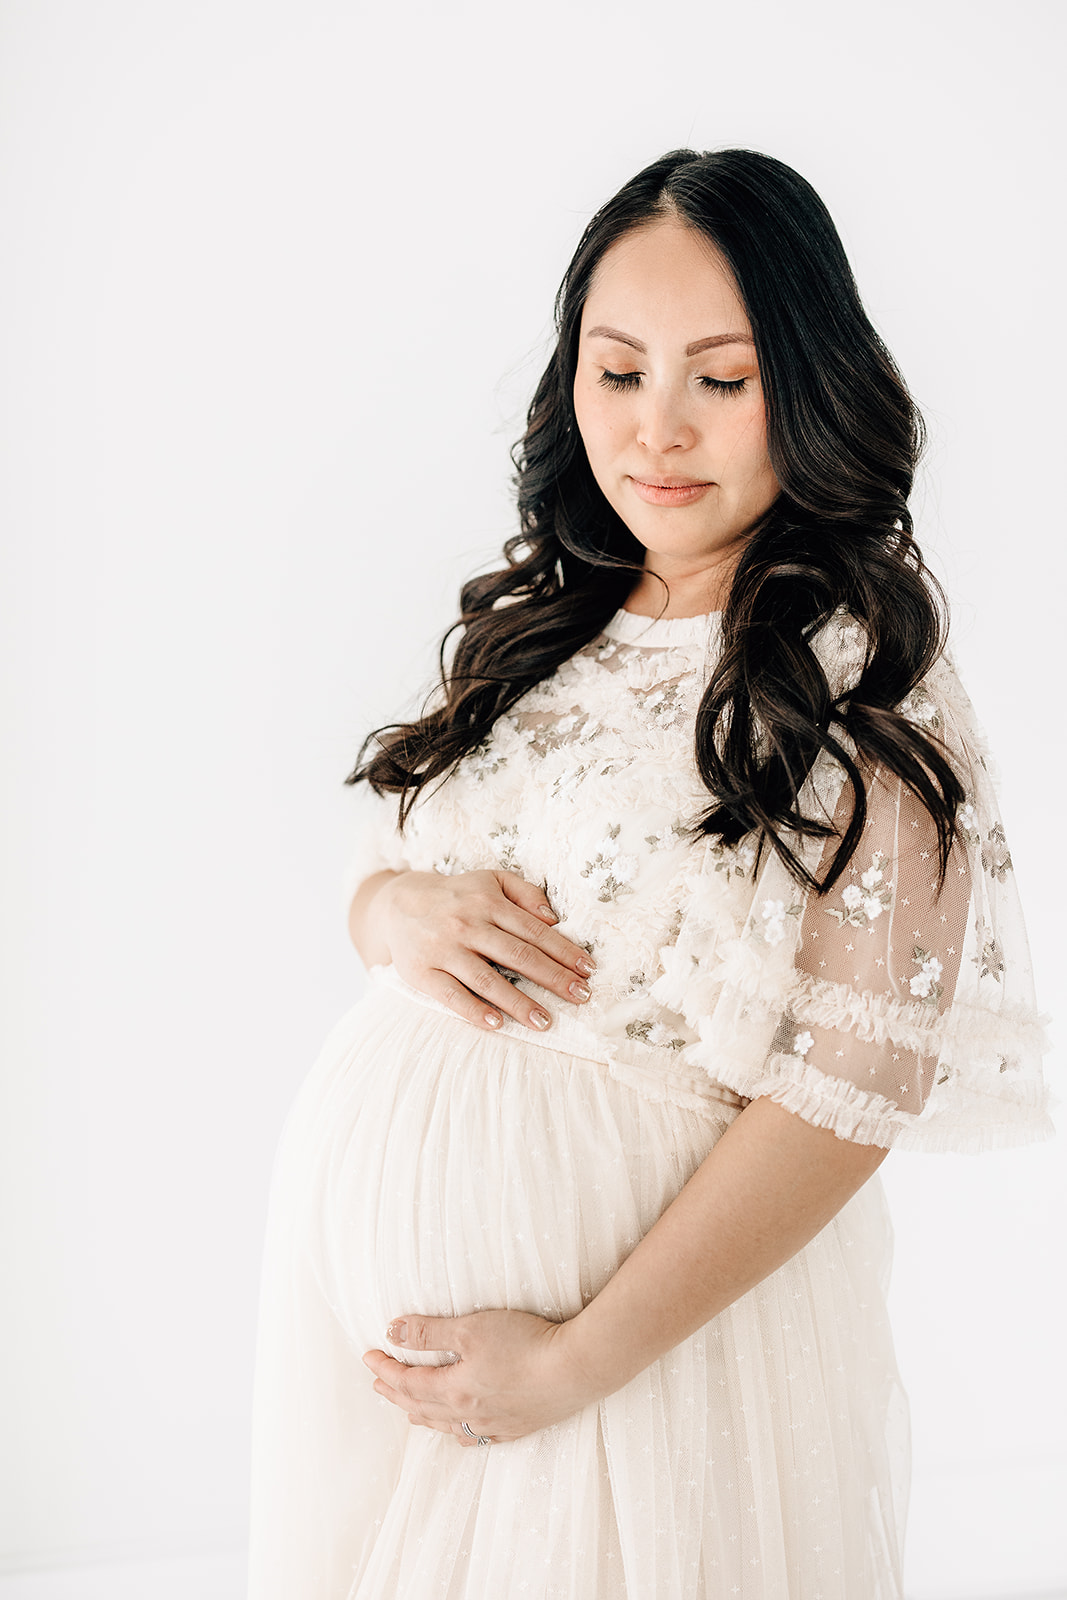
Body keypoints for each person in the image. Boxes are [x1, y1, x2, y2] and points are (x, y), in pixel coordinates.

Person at [246, 148, 1051, 1599]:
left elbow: (854, 1088)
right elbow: (393, 858)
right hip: (396, 1379)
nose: (657, 430)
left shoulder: (858, 677)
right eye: (618, 374)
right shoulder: (544, 626)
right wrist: (390, 914)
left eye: (721, 379)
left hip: (644, 1381)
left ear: (806, 385)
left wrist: (574, 1361)